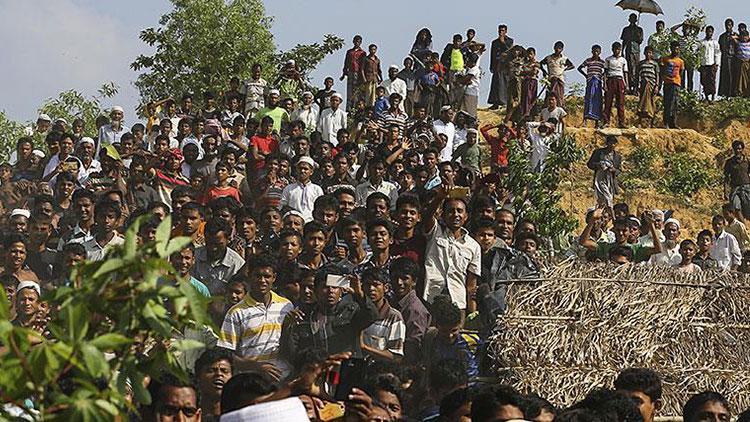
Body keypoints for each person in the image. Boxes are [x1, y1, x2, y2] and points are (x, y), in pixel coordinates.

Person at [281, 267, 378, 365]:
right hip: (317, 372)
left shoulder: (351, 311)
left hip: (347, 371)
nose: (330, 291)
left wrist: (359, 294)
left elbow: (372, 316)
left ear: (341, 290)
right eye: (325, 287)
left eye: (335, 287)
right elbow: (291, 352)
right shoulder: (304, 315)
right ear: (315, 290)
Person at [218, 253, 293, 378]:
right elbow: (225, 354)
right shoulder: (236, 312)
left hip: (283, 380)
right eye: (258, 276)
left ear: (274, 277)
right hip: (251, 381)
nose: (262, 281)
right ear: (249, 276)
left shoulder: (286, 306)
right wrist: (257, 366)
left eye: (267, 276)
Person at [360, 267, 405, 363]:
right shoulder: (356, 312)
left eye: (376, 285)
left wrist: (365, 348)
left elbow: (396, 357)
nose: (371, 289)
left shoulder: (394, 317)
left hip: (379, 372)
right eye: (368, 284)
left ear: (386, 288)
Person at [280, 156, 323, 222]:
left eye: (305, 169)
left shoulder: (317, 189)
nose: (302, 171)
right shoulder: (289, 188)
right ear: (297, 170)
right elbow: (282, 206)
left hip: (311, 223)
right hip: (293, 223)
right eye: (300, 168)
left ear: (311, 172)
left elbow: (320, 208)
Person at [586, 135, 621, 212]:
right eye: (610, 143)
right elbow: (590, 164)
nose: (612, 145)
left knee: (609, 197)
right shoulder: (598, 152)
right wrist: (599, 165)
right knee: (603, 198)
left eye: (614, 143)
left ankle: (607, 214)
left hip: (610, 180)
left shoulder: (617, 156)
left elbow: (619, 170)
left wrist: (613, 170)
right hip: (600, 178)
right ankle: (608, 215)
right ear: (607, 143)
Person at [540, 41, 574, 107]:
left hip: (560, 79)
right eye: (556, 48)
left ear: (562, 49)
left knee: (559, 95)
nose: (557, 50)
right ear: (554, 48)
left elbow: (572, 66)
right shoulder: (548, 58)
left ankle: (560, 107)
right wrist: (544, 71)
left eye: (559, 48)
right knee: (549, 94)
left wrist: (565, 69)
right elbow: (540, 64)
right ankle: (547, 108)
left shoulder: (564, 59)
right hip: (551, 79)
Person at [488, 25, 514, 109]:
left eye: (503, 31)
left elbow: (510, 51)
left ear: (506, 31)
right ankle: (495, 103)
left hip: (505, 66)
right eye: (499, 31)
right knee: (495, 84)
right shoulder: (494, 42)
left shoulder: (510, 41)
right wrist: (491, 66)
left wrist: (503, 42)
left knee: (504, 84)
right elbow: (492, 55)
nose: (501, 32)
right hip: (497, 66)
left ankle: (503, 102)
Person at [603, 42, 628, 128]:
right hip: (610, 80)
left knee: (620, 103)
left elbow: (625, 73)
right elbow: (605, 73)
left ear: (620, 50)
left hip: (620, 80)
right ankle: (606, 122)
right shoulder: (608, 59)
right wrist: (604, 83)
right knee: (608, 102)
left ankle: (621, 122)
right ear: (612, 49)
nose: (616, 51)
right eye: (615, 49)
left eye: (618, 49)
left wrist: (626, 84)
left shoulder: (623, 60)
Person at [661, 41, 685, 129]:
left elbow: (681, 73)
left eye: (677, 49)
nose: (676, 50)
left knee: (675, 104)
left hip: (676, 84)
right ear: (671, 48)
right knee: (667, 103)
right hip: (667, 83)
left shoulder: (681, 61)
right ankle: (666, 122)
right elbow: (662, 70)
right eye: (674, 48)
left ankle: (673, 123)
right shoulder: (665, 59)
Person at [637, 46, 660, 127]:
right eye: (646, 52)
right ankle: (639, 122)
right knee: (642, 102)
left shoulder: (655, 64)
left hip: (652, 85)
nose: (648, 54)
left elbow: (657, 75)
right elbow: (637, 75)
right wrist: (637, 87)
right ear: (644, 53)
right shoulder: (641, 63)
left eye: (650, 52)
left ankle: (651, 122)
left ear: (652, 54)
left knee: (652, 102)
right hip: (643, 85)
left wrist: (657, 86)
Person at [621, 13, 644, 94]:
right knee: (629, 68)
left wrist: (637, 34)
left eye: (634, 18)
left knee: (637, 69)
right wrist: (622, 51)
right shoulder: (626, 29)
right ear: (629, 19)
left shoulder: (639, 29)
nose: (633, 20)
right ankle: (629, 86)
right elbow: (624, 41)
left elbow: (640, 41)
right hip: (628, 50)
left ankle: (635, 87)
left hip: (636, 51)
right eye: (631, 18)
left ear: (636, 20)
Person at [341, 35, 366, 110]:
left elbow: (364, 65)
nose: (357, 43)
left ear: (360, 42)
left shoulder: (363, 53)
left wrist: (363, 76)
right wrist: (344, 73)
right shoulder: (349, 52)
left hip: (359, 73)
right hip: (350, 72)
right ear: (353, 41)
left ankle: (357, 108)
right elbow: (346, 63)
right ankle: (349, 109)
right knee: (349, 91)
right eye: (355, 41)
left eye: (358, 42)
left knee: (357, 91)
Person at [699, 26, 722, 102]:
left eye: (711, 32)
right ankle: (706, 97)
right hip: (703, 64)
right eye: (708, 31)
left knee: (712, 81)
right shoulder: (701, 42)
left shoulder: (715, 42)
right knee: (704, 81)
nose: (709, 33)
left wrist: (717, 64)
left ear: (713, 33)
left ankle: (712, 97)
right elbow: (698, 53)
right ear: (706, 32)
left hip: (712, 64)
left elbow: (717, 53)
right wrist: (698, 64)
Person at [719, 19, 737, 98]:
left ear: (732, 26)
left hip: (733, 58)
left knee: (732, 76)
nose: (727, 27)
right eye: (726, 25)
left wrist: (735, 38)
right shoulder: (722, 36)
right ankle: (725, 94)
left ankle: (732, 94)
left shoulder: (736, 35)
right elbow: (719, 48)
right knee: (724, 76)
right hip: (724, 58)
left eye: (729, 25)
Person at [735, 30, 750, 97]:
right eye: (743, 36)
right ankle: (741, 93)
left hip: (748, 63)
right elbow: (733, 38)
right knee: (741, 79)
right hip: (741, 63)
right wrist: (738, 37)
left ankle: (747, 93)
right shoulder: (739, 43)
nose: (744, 38)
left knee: (747, 79)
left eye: (745, 37)